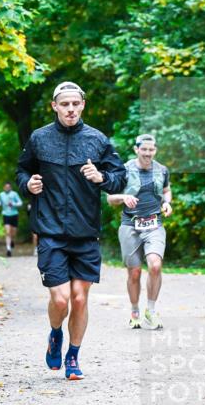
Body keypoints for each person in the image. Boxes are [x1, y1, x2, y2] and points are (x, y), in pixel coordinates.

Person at [16, 81, 127, 380]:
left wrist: (101, 176)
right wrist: (28, 184)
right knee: (61, 299)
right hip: (51, 232)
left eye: (75, 104)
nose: (71, 109)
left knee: (79, 298)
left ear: (83, 106)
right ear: (54, 106)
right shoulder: (39, 139)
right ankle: (55, 334)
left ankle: (73, 357)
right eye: (65, 104)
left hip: (85, 233)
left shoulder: (97, 140)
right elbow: (21, 170)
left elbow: (119, 178)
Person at [107, 134, 173, 330]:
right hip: (130, 226)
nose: (147, 153)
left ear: (155, 150)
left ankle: (150, 311)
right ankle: (135, 310)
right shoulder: (124, 170)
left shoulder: (162, 170)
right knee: (134, 272)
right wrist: (124, 197)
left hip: (154, 225)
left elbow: (167, 190)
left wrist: (167, 202)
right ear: (136, 149)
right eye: (143, 149)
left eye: (151, 150)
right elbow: (110, 199)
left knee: (155, 265)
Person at [0, 182, 23, 257]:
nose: (7, 188)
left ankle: (12, 240)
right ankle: (8, 249)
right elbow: (0, 202)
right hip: (5, 214)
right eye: (6, 187)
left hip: (14, 214)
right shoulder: (1, 194)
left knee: (14, 233)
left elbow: (20, 203)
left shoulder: (14, 194)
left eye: (8, 187)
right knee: (8, 231)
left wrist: (14, 204)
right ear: (4, 187)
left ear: (10, 187)